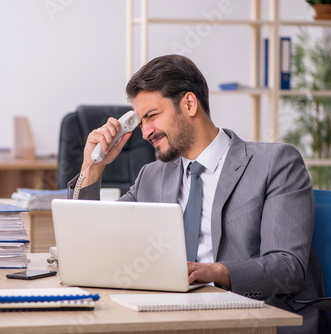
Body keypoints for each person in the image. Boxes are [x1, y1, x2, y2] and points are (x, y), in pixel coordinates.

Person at [67, 54, 330, 333]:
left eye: (152, 116)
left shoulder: (275, 162)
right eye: (140, 121)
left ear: (189, 104)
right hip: (170, 317)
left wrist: (216, 272)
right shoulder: (152, 177)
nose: (145, 133)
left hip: (257, 319)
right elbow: (96, 242)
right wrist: (92, 168)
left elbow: (287, 267)